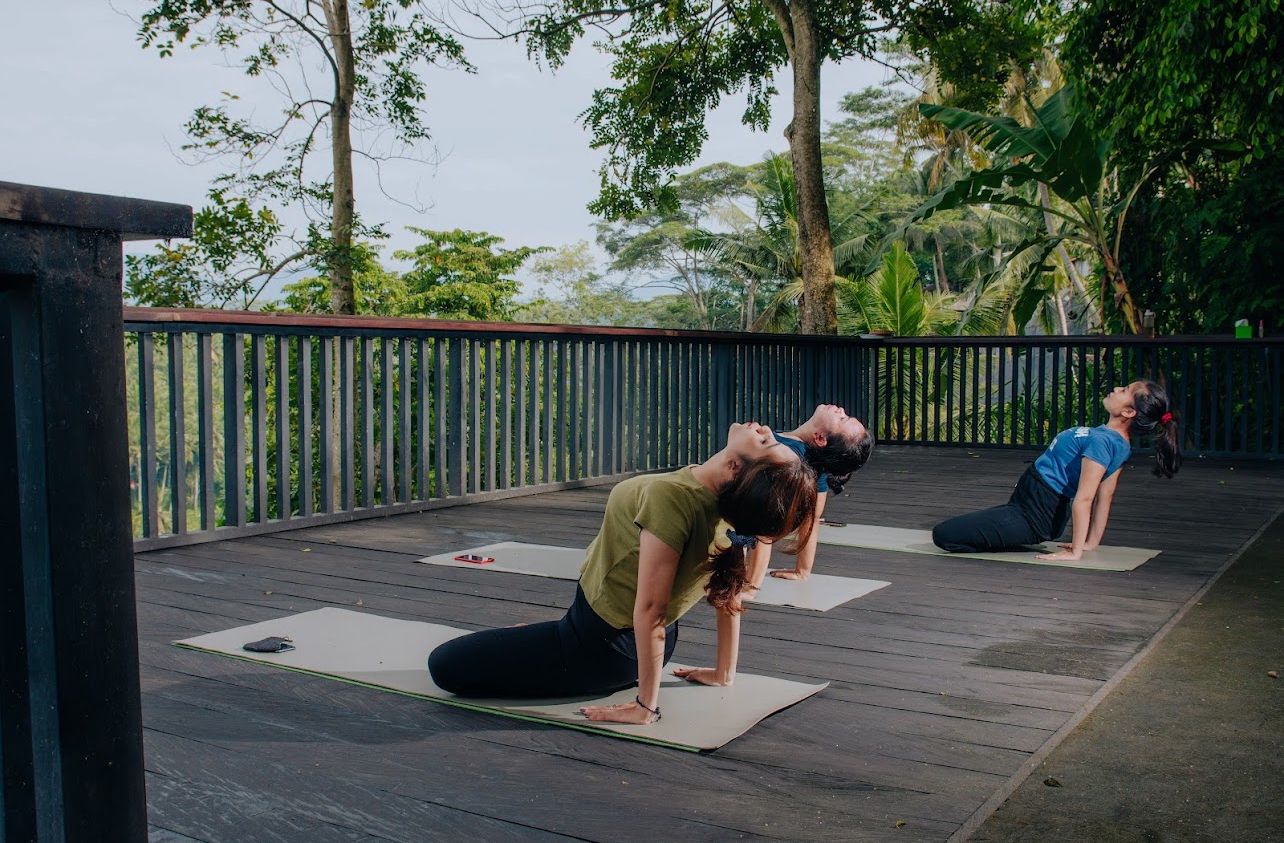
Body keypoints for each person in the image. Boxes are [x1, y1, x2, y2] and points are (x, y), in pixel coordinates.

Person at [427, 422, 818, 726]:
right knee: (510, 643)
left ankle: (582, 664)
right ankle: (545, 644)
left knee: (443, 665)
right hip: (620, 642)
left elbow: (651, 610)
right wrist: (723, 673)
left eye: (765, 442)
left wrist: (646, 707)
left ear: (735, 467)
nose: (764, 430)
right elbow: (728, 594)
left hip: (595, 649)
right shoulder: (722, 503)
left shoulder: (675, 498)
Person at [932, 380, 1181, 561]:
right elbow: (1106, 496)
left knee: (944, 535)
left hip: (1034, 514)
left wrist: (1076, 551)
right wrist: (1091, 542)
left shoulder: (1104, 443)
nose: (1117, 388)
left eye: (1125, 390)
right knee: (968, 528)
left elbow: (1086, 499)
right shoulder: (1114, 442)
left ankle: (1010, 540)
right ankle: (1008, 538)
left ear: (1128, 412)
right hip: (1028, 505)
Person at [745, 404, 875, 585]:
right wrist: (802, 570)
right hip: (738, 518)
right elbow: (812, 518)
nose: (841, 410)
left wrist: (751, 585)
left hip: (730, 517)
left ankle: (750, 583)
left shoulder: (789, 453)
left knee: (760, 524)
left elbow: (763, 529)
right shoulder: (814, 462)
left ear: (820, 437)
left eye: (842, 419)